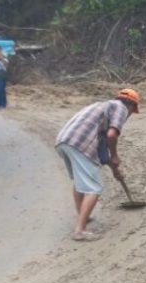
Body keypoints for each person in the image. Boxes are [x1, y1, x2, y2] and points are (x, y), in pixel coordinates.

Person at [55, 88, 140, 241]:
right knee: (94, 188)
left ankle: (83, 215)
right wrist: (114, 155)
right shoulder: (120, 108)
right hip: (79, 144)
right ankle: (80, 231)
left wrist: (113, 166)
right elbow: (111, 135)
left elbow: (102, 149)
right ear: (131, 106)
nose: (129, 115)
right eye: (132, 111)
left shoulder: (101, 106)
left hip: (64, 141)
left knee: (81, 182)